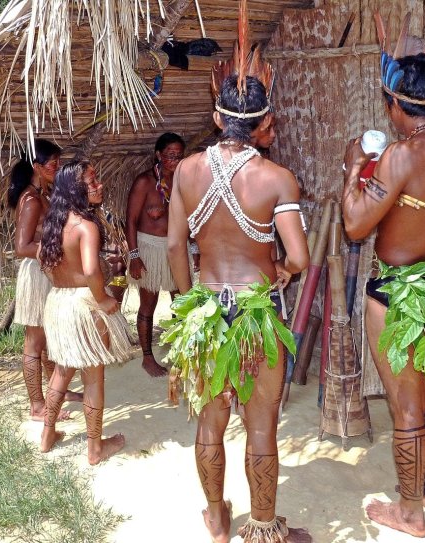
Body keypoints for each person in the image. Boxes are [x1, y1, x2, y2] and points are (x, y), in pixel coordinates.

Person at [166, 50, 311, 542]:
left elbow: (174, 246)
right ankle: (264, 529)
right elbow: (299, 257)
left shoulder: (186, 171)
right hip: (256, 314)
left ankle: (215, 517)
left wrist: (190, 304)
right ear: (265, 121)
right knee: (260, 424)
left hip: (207, 310)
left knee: (211, 419)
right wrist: (282, 271)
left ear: (216, 118)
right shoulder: (276, 179)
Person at [341, 50, 425, 537]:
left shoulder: (401, 154)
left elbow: (355, 225)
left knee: (405, 407)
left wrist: (353, 170)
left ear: (396, 105)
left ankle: (409, 512)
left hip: (396, 292)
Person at [37, 160, 132, 461]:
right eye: (92, 182)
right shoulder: (85, 226)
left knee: (62, 371)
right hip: (84, 306)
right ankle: (95, 447)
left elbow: (41, 258)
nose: (98, 185)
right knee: (93, 377)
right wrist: (102, 298)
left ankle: (47, 435)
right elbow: (91, 270)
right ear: (75, 189)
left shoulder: (54, 223)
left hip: (59, 302)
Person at [8, 139, 81, 422]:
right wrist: (54, 252)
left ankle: (56, 391)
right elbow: (21, 246)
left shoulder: (41, 194)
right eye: (53, 164)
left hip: (45, 270)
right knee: (35, 342)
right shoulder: (30, 200)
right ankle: (37, 406)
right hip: (36, 274)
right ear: (37, 167)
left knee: (50, 335)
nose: (57, 168)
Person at [125, 132, 186, 377]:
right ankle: (147, 357)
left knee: (181, 302)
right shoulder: (145, 182)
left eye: (179, 156)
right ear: (158, 155)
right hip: (148, 248)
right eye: (170, 155)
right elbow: (130, 220)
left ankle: (182, 351)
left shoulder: (182, 181)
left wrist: (193, 248)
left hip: (176, 248)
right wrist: (134, 256)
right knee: (148, 304)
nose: (175, 161)